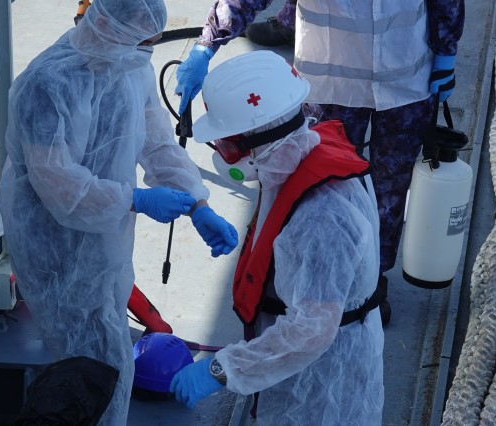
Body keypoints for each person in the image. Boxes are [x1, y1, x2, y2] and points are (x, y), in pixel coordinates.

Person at [0, 1, 238, 424]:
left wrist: (197, 204)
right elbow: (58, 185)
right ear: (108, 28)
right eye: (142, 43)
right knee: (89, 368)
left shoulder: (128, 66)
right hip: (53, 246)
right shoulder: (46, 85)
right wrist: (136, 200)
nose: (147, 53)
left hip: (105, 239)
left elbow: (158, 143)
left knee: (101, 352)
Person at [175, 0, 465, 325]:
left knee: (391, 192)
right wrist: (207, 43)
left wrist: (446, 48)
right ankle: (319, 277)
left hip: (405, 82)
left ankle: (371, 280)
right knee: (321, 189)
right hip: (330, 86)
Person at [171, 50, 384, 425]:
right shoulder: (298, 155)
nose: (222, 157)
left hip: (319, 389)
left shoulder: (322, 217)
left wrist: (222, 370)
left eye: (227, 147)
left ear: (260, 140)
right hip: (295, 368)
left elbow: (310, 331)